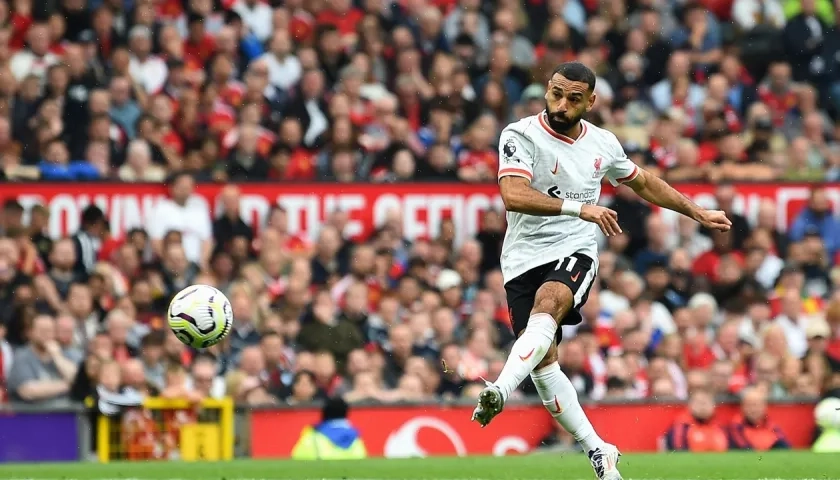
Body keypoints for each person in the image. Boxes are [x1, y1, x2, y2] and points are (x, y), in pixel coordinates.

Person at [472, 62, 732, 480]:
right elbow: (513, 194)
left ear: (591, 101)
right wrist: (583, 207)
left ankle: (499, 389)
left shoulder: (603, 144)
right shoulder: (520, 134)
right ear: (547, 90)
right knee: (542, 363)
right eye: (556, 93)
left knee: (551, 301)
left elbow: (644, 182)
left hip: (574, 248)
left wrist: (695, 211)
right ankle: (600, 450)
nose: (561, 103)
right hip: (521, 258)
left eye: (573, 98)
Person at [291, 396, 367, 460]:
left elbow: (297, 456)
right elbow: (362, 456)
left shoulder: (314, 435)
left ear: (324, 412)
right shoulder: (356, 438)